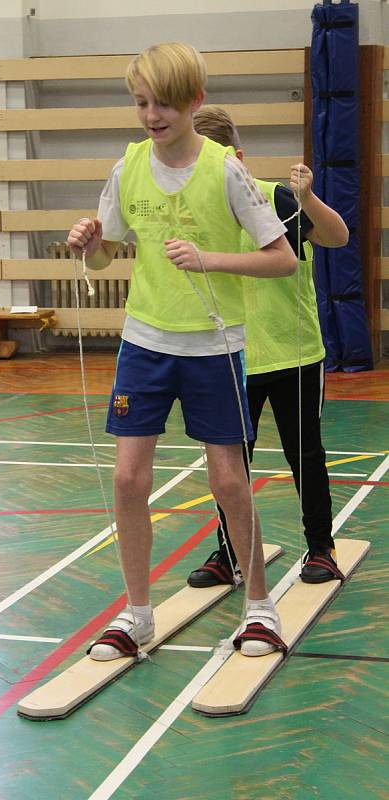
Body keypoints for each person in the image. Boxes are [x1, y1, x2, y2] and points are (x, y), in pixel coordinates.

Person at [67, 42, 297, 661]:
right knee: (127, 478)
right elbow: (104, 254)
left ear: (194, 101)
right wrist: (88, 243)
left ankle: (259, 608)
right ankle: (138, 615)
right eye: (141, 103)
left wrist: (209, 258)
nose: (150, 114)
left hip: (214, 346)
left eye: (163, 103)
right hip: (144, 342)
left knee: (228, 479)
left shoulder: (226, 170)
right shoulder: (128, 168)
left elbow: (282, 258)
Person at [186, 106, 349, 591]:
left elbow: (338, 237)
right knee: (228, 464)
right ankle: (231, 551)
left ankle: (321, 547)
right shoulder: (194, 212)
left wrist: (309, 198)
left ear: (236, 158)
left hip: (294, 355)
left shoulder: (277, 200)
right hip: (229, 358)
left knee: (306, 455)